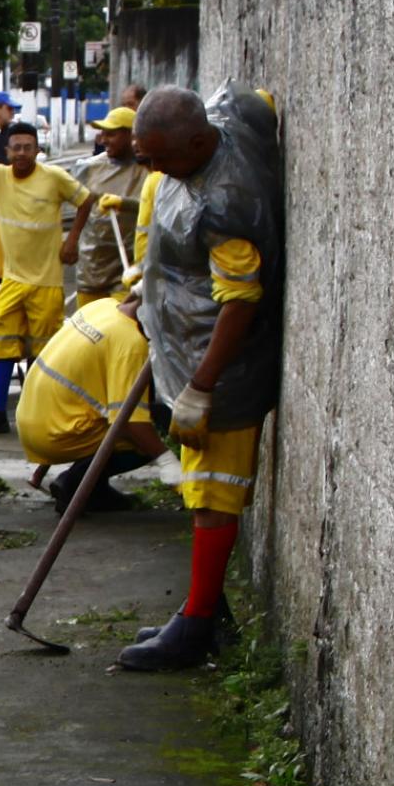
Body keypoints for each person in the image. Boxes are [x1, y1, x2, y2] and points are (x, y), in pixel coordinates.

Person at [118, 83, 283, 672]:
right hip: (183, 349)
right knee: (199, 490)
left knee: (212, 496)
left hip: (220, 371)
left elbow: (240, 300)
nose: (151, 168)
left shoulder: (226, 205)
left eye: (159, 157)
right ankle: (203, 608)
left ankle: (196, 631)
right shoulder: (229, 116)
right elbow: (253, 97)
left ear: (195, 141)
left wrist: (203, 386)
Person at [0, 119, 92, 434]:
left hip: (46, 281)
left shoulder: (54, 178)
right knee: (2, 343)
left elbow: (86, 200)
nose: (22, 153)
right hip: (11, 278)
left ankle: (38, 410)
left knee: (43, 349)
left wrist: (72, 240)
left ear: (38, 150)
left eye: (28, 147)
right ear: (7, 151)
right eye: (16, 148)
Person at [16, 295, 179, 514]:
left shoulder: (104, 306)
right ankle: (77, 485)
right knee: (158, 425)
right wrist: (167, 461)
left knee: (145, 412)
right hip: (54, 432)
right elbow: (131, 422)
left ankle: (94, 487)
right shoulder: (131, 344)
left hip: (33, 415)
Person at [73, 108, 148, 304]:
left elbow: (157, 209)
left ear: (131, 135)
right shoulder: (89, 168)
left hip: (129, 268)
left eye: (111, 134)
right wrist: (71, 241)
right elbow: (78, 208)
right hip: (93, 266)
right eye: (103, 134)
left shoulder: (150, 169)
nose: (104, 140)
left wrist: (125, 204)